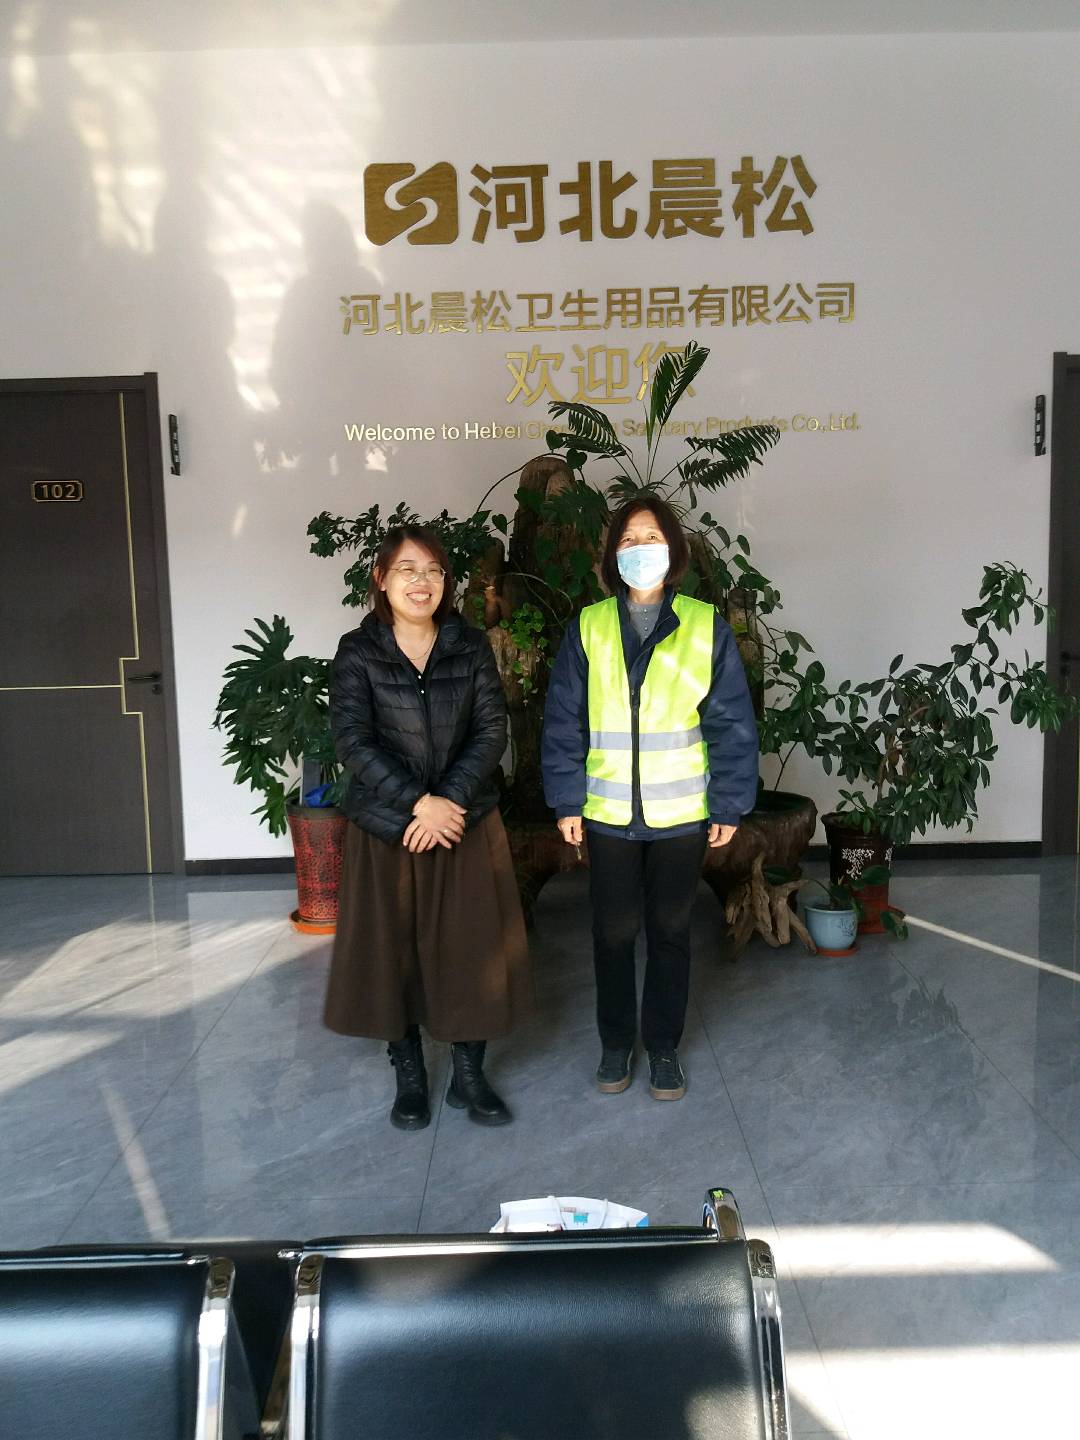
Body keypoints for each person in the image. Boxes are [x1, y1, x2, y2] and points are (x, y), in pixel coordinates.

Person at [541, 497, 758, 1101]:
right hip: (606, 813)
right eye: (629, 539)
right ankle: (616, 1043)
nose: (641, 549)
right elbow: (563, 722)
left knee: (670, 931)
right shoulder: (588, 627)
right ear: (613, 553)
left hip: (681, 814)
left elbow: (731, 722)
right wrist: (566, 801)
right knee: (611, 934)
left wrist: (729, 802)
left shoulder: (704, 626)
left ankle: (662, 1046)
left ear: (675, 549)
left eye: (652, 537)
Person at [324, 524, 531, 1129]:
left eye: (434, 570)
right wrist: (419, 804)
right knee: (393, 953)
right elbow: (352, 741)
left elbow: (491, 730)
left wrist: (449, 803)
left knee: (472, 950)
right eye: (408, 570)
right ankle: (409, 1076)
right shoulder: (358, 651)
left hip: (465, 821)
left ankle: (469, 1073)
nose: (422, 582)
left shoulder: (469, 645)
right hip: (387, 827)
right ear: (381, 580)